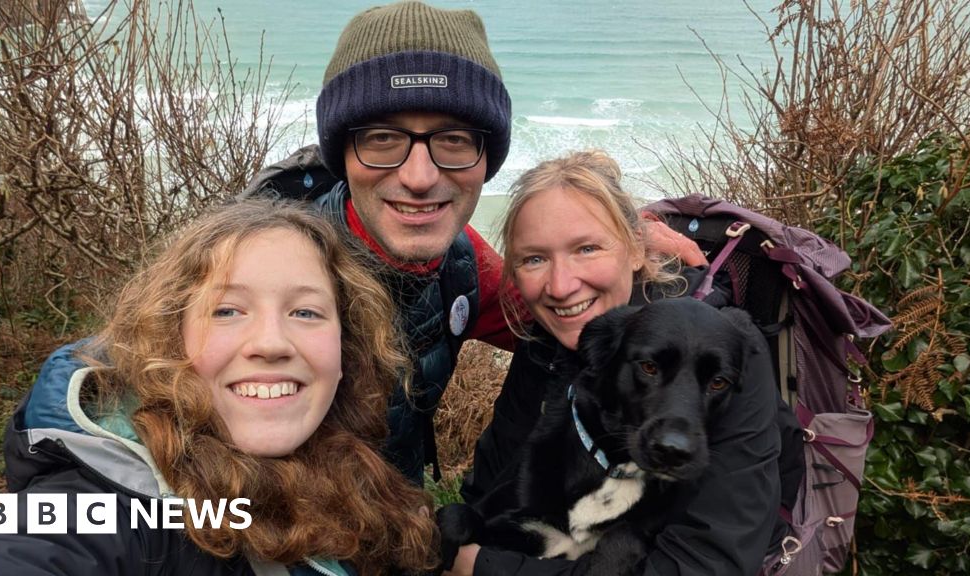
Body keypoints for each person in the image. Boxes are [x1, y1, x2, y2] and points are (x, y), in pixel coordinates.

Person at [240, 0, 706, 483]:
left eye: (454, 140)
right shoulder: (255, 278)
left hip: (398, 514)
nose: (419, 178)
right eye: (381, 139)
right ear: (342, 155)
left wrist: (615, 242)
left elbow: (563, 315)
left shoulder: (462, 261)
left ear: (487, 159)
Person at [0, 200, 438, 576]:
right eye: (226, 310)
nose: (271, 343)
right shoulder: (106, 502)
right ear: (171, 338)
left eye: (306, 312)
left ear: (345, 348)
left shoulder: (349, 464)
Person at [445, 150, 789, 576]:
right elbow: (489, 487)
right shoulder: (548, 340)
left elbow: (706, 565)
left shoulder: (721, 352)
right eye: (534, 259)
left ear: (636, 249)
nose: (560, 286)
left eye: (587, 248)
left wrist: (480, 567)